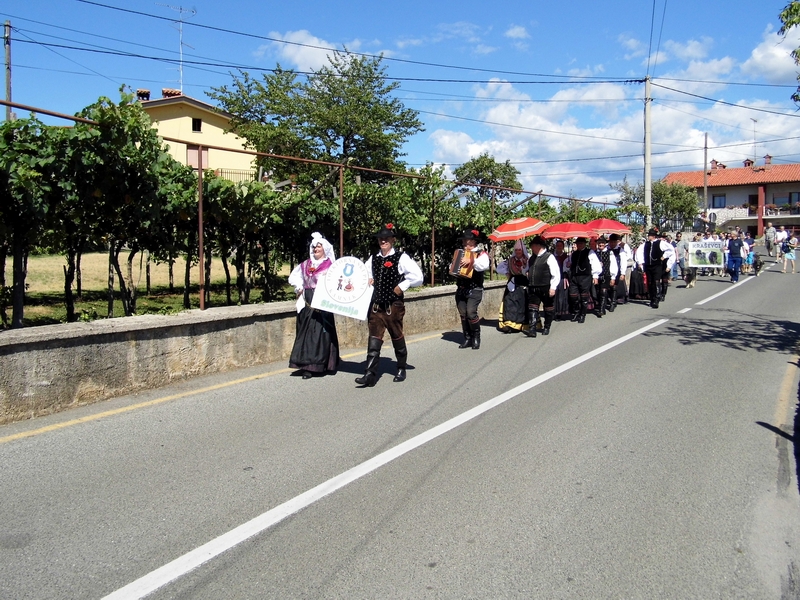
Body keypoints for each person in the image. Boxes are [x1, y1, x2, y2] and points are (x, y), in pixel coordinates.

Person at [355, 223, 424, 387]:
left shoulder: (401, 257)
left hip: (393, 306)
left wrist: (402, 286)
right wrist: (368, 279)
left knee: (396, 336)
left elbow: (418, 277)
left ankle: (401, 368)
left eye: (386, 238)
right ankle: (370, 374)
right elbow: (364, 274)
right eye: (381, 238)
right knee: (374, 340)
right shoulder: (373, 258)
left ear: (393, 240)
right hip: (376, 306)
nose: (383, 241)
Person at [288, 232, 340, 379]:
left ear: (325, 249)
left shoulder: (331, 266)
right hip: (308, 301)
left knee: (318, 333)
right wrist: (299, 287)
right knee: (305, 332)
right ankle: (305, 363)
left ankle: (316, 365)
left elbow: (337, 282)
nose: (316, 249)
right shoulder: (306, 264)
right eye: (314, 247)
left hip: (322, 302)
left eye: (319, 247)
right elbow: (295, 277)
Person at [454, 229, 491, 349]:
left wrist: (471, 260)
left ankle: (476, 337)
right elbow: (454, 267)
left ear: (474, 241)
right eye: (464, 240)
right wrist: (454, 267)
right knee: (463, 313)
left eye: (467, 240)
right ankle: (467, 338)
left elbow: (484, 266)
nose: (465, 243)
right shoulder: (460, 253)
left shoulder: (481, 254)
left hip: (475, 289)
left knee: (471, 312)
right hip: (461, 288)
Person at [525, 235, 561, 337]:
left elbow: (556, 274)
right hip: (533, 287)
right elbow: (526, 269)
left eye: (532, 246)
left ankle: (547, 327)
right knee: (532, 308)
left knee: (548, 308)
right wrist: (526, 272)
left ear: (538, 246)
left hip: (546, 287)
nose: (531, 248)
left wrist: (553, 287)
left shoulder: (549, 257)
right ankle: (532, 329)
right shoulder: (532, 258)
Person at [635, 228, 675, 308]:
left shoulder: (661, 243)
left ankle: (656, 299)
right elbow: (639, 252)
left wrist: (664, 256)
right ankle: (652, 298)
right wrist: (640, 262)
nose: (648, 236)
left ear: (653, 236)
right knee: (650, 282)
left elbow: (671, 249)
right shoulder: (645, 244)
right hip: (648, 266)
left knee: (656, 281)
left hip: (657, 266)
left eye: (649, 235)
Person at [563, 237, 600, 323]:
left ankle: (582, 315)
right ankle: (576, 312)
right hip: (574, 277)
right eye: (578, 243)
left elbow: (595, 264)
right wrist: (568, 265)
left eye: (581, 243)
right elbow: (568, 264)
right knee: (573, 295)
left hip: (585, 277)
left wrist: (595, 276)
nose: (579, 245)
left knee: (584, 297)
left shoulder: (589, 252)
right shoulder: (573, 254)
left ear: (584, 244)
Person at [496, 239, 530, 334]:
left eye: (519, 250)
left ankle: (521, 324)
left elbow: (531, 270)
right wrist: (506, 272)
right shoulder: (510, 260)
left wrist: (527, 272)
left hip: (523, 283)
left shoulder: (527, 260)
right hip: (512, 283)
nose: (518, 252)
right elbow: (499, 268)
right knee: (510, 302)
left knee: (522, 304)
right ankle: (509, 324)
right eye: (516, 250)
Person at [594, 236, 619, 316]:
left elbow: (613, 265)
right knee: (597, 292)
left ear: (605, 244)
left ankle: (601, 309)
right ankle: (601, 306)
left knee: (603, 291)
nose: (601, 244)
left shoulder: (609, 253)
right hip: (597, 276)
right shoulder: (594, 253)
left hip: (606, 275)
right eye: (599, 243)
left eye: (602, 243)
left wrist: (613, 277)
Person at [607, 233, 629, 309]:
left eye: (614, 242)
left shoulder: (620, 250)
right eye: (611, 242)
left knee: (615, 286)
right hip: (608, 271)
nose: (612, 244)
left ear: (616, 242)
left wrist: (623, 273)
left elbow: (623, 262)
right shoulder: (607, 249)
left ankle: (615, 300)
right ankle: (610, 298)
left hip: (618, 270)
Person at [552, 239, 571, 320]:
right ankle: (554, 312)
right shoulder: (552, 256)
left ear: (563, 247)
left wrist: (568, 266)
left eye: (560, 246)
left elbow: (568, 269)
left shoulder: (566, 257)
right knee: (554, 295)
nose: (559, 247)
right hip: (553, 278)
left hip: (562, 277)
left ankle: (561, 312)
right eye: (557, 246)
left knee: (561, 295)